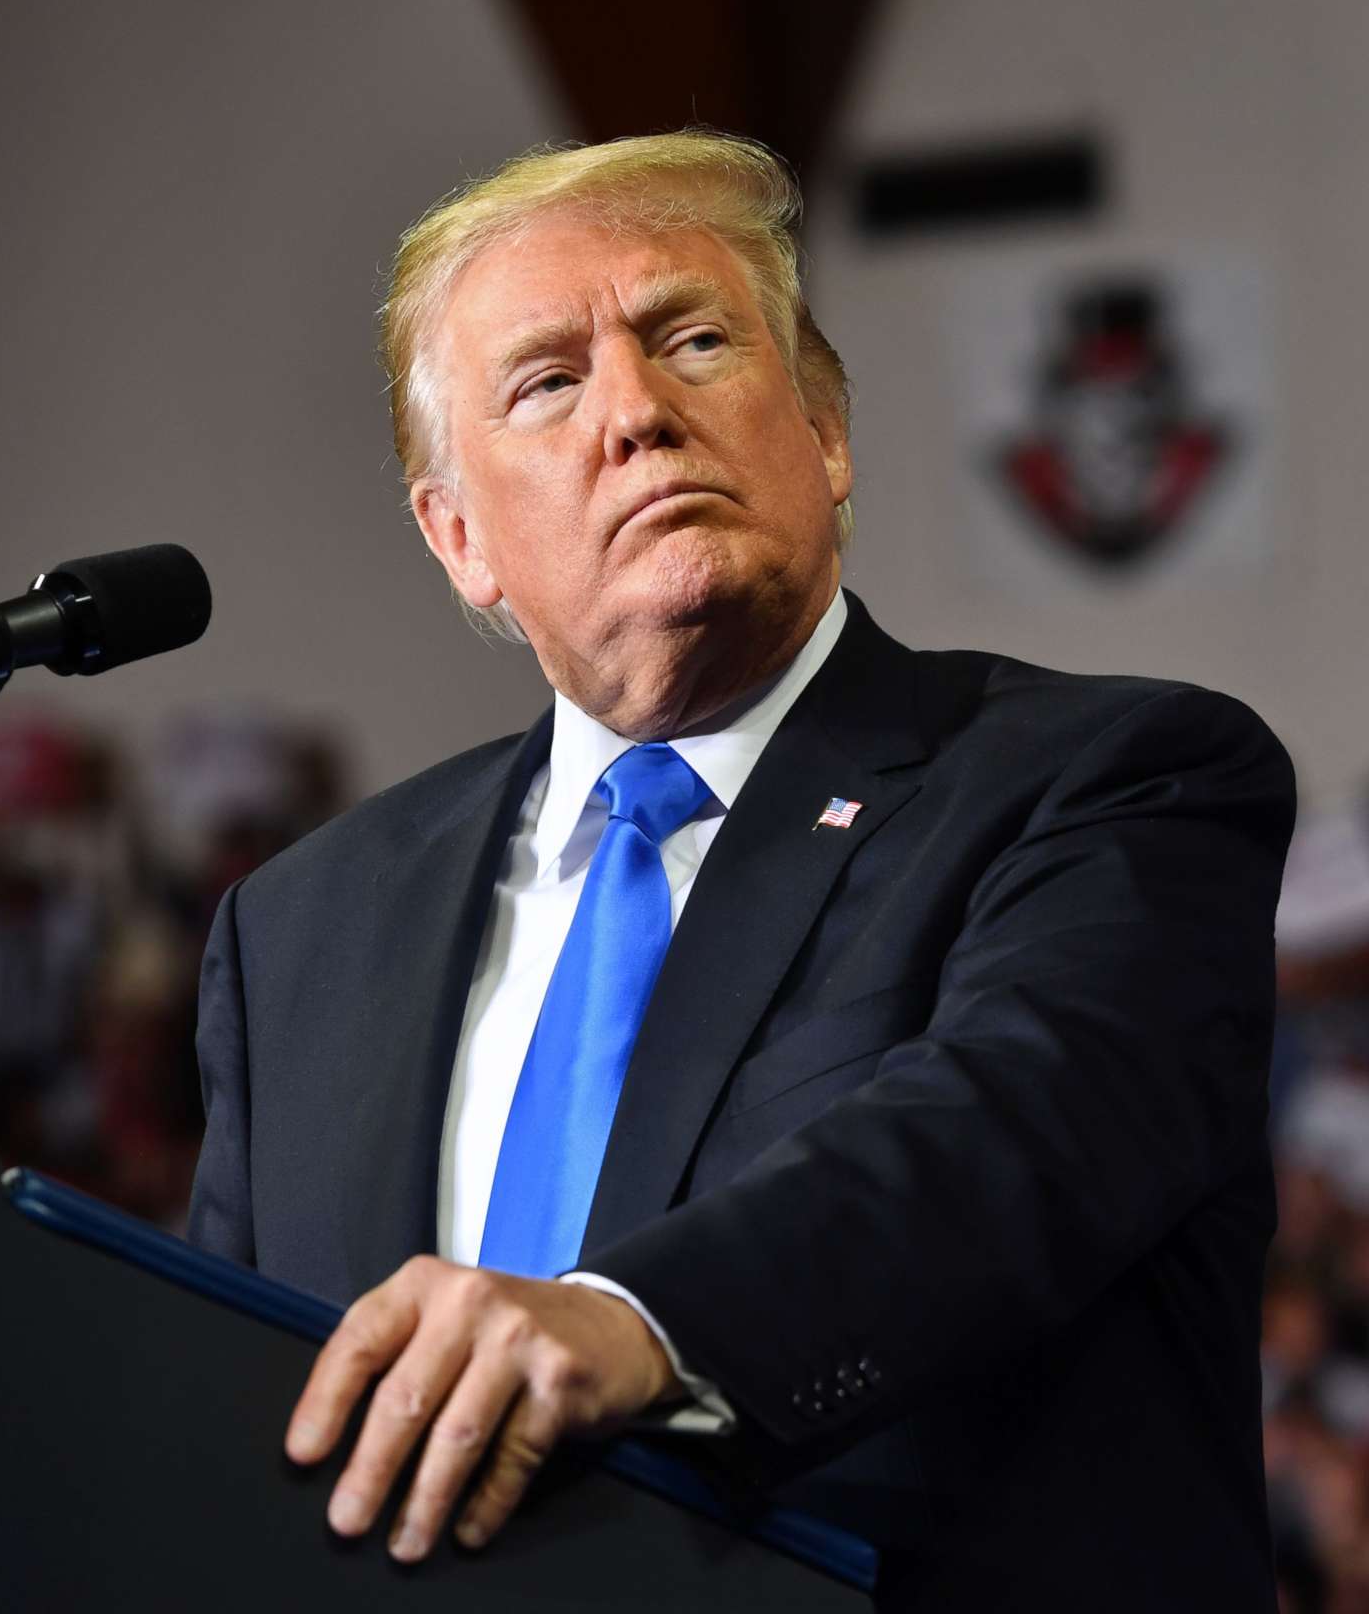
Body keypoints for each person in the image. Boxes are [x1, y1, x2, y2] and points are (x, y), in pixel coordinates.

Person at [184, 129, 1294, 1608]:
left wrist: (633, 1322)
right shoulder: (303, 932)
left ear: (825, 434)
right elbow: (241, 1393)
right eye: (548, 383)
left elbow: (1001, 1137)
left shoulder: (1109, 782)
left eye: (693, 341)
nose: (634, 414)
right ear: (460, 540)